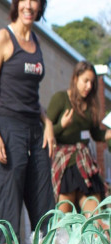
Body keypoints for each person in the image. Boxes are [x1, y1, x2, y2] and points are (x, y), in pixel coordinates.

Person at [0, 0, 56, 240]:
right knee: (9, 214)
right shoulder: (4, 37)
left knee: (45, 209)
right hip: (9, 129)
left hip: (36, 131)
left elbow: (31, 97)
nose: (30, 6)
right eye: (25, 0)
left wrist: (49, 123)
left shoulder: (36, 42)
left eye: (35, 1)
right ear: (17, 4)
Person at [47, 60, 111, 214]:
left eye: (92, 83)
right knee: (63, 217)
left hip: (84, 161)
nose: (89, 86)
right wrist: (62, 125)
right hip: (65, 161)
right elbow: (46, 132)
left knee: (95, 214)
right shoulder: (61, 98)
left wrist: (108, 134)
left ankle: (94, 237)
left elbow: (96, 134)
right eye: (85, 81)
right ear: (75, 78)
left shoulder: (91, 105)